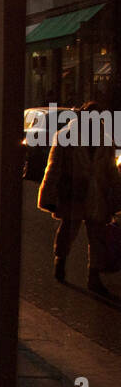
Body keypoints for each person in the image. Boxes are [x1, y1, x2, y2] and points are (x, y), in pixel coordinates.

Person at [38, 100, 121, 298]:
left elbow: (111, 172)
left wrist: (116, 197)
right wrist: (49, 194)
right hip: (73, 192)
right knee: (68, 231)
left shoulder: (105, 140)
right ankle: (61, 262)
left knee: (98, 237)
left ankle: (94, 278)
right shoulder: (66, 136)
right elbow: (54, 167)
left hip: (96, 195)